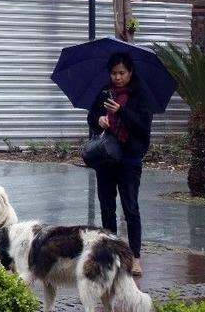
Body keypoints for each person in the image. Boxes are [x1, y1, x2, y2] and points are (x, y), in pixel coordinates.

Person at [87, 52, 152, 277]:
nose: (117, 77)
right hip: (106, 158)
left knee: (130, 208)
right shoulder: (105, 92)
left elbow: (143, 126)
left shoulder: (140, 95)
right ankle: (111, 254)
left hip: (129, 158)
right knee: (107, 207)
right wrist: (99, 119)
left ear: (130, 72)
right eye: (113, 73)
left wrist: (120, 111)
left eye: (122, 73)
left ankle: (134, 257)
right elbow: (92, 115)